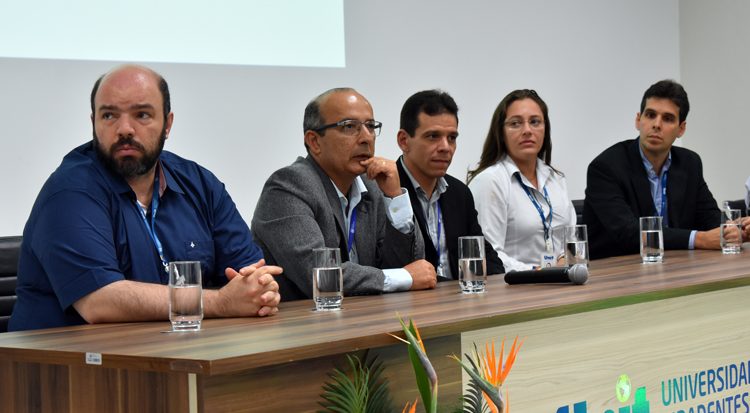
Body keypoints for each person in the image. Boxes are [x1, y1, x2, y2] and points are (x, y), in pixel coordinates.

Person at [9, 65, 281, 331]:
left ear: (167, 124)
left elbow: (252, 276)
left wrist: (259, 290)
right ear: (93, 123)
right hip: (67, 358)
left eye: (141, 115)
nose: (124, 129)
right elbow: (100, 302)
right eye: (109, 116)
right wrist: (220, 302)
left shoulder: (200, 184)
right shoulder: (70, 191)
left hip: (169, 349)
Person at [252, 88, 436, 301]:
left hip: (364, 315)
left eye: (371, 126)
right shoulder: (288, 186)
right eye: (349, 126)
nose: (366, 138)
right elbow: (320, 276)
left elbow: (414, 267)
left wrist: (395, 196)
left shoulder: (372, 186)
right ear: (314, 141)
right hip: (302, 319)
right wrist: (404, 277)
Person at [583, 79, 745, 259]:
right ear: (638, 120)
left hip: (674, 264)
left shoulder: (689, 163)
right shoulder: (606, 167)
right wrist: (699, 239)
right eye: (650, 115)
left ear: (681, 129)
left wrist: (732, 230)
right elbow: (629, 233)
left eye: (668, 119)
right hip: (616, 269)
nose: (657, 124)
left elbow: (709, 217)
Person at [395, 90, 504, 278]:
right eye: (433, 136)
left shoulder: (459, 193)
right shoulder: (387, 192)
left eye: (452, 138)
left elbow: (487, 259)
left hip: (459, 295)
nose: (446, 147)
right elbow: (391, 264)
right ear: (404, 141)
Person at [467, 89, 576, 272]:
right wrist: (538, 271)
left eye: (535, 122)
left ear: (545, 129)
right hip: (513, 284)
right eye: (515, 123)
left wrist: (565, 259)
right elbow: (489, 254)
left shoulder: (556, 178)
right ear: (501, 133)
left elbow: (572, 237)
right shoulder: (490, 181)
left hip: (560, 279)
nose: (527, 130)